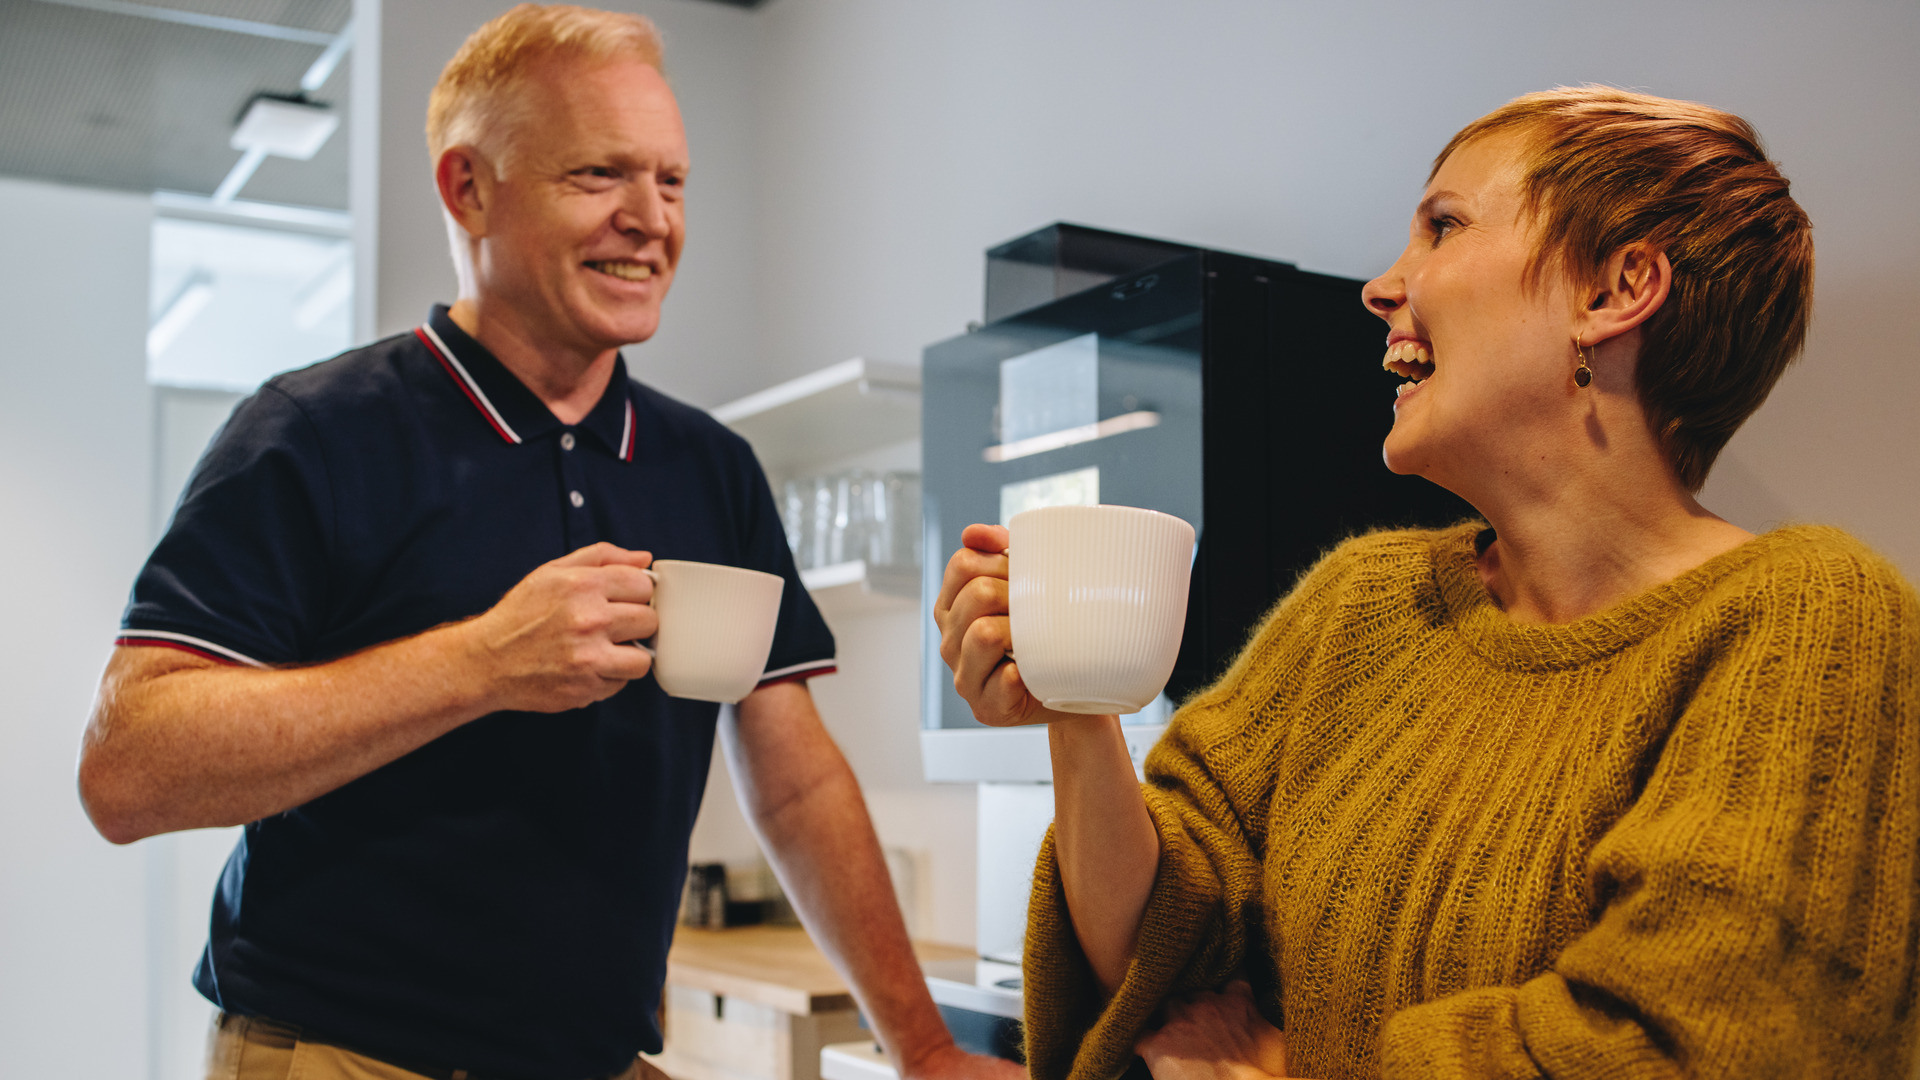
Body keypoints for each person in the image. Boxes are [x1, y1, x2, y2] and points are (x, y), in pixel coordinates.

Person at [78, 8, 1021, 1080]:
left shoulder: (710, 469)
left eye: (670, 182)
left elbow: (796, 785)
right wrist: (481, 662)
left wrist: (926, 1045)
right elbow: (129, 770)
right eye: (598, 176)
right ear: (468, 188)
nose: (649, 219)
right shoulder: (312, 433)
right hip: (347, 1055)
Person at [935, 87, 1919, 1079]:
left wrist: (1294, 1069)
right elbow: (1157, 955)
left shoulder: (1810, 624)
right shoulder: (1363, 603)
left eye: (1443, 226)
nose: (1381, 286)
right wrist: (1074, 702)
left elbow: (1694, 1048)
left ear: (1615, 291)